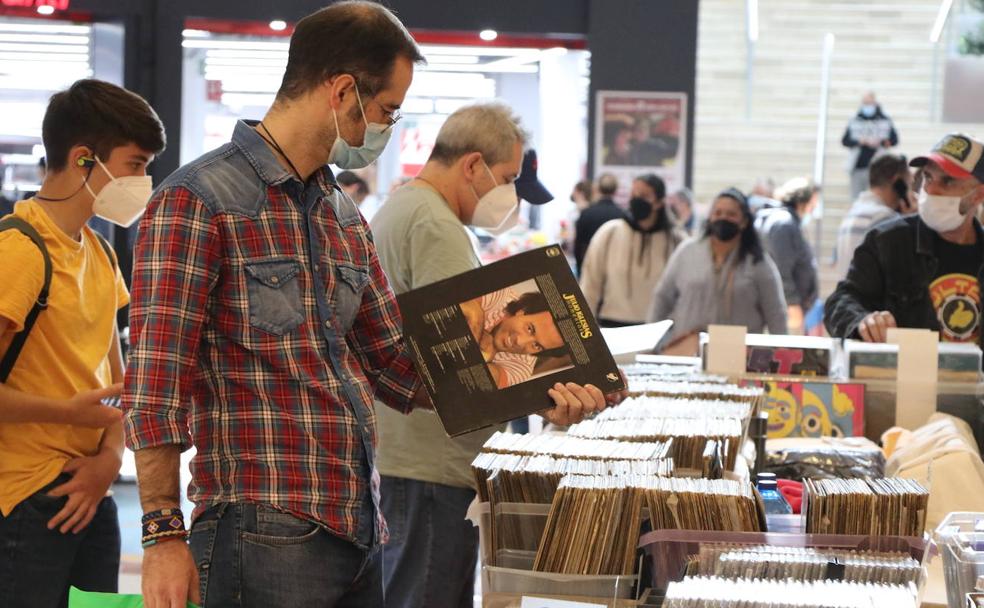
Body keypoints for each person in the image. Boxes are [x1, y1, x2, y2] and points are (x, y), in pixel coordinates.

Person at [122, 10, 605, 607]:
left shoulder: (340, 213)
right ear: (342, 90)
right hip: (260, 526)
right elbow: (155, 382)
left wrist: (545, 381)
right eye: (388, 110)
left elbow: (398, 366)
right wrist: (163, 535)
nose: (388, 126)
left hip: (359, 526)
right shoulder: (199, 201)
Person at [370, 102, 612, 608]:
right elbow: (464, 357)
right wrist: (548, 398)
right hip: (430, 462)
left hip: (413, 456)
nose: (510, 195)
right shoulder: (434, 224)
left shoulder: (406, 208)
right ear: (473, 165)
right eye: (507, 178)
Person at [0, 79, 165, 608]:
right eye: (136, 164)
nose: (144, 181)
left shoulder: (101, 252)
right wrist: (67, 413)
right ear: (84, 158)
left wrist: (107, 462)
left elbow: (119, 388)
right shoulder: (19, 252)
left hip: (92, 493)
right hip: (25, 498)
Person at [825, 133, 984, 345]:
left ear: (978, 195)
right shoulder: (887, 241)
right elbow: (840, 302)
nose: (931, 189)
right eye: (928, 177)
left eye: (948, 181)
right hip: (908, 375)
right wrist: (862, 321)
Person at [649, 188, 787, 354]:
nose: (723, 218)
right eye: (718, 212)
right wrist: (650, 344)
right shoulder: (687, 251)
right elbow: (662, 298)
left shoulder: (758, 262)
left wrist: (782, 353)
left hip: (739, 355)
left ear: (744, 221)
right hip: (687, 351)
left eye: (731, 214)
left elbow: (775, 313)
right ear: (710, 217)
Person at [580, 173, 686, 327]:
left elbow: (683, 292)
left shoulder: (676, 241)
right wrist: (585, 328)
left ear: (659, 202)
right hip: (612, 325)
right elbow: (590, 285)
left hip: (659, 328)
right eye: (633, 194)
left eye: (644, 195)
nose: (636, 199)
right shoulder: (609, 233)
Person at [460, 289, 567, 389]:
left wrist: (477, 317)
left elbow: (483, 377)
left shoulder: (523, 368)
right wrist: (484, 344)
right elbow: (463, 304)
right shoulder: (502, 293)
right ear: (522, 311)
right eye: (530, 329)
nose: (519, 341)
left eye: (536, 345)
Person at [834, 154, 915, 281]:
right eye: (909, 184)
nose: (910, 192)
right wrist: (911, 220)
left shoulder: (853, 213)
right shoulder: (885, 218)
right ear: (898, 182)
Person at [755, 177, 820, 333]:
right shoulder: (783, 224)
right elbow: (781, 267)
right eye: (813, 203)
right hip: (788, 309)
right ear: (803, 201)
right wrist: (791, 303)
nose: (814, 208)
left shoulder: (786, 222)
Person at [842, 92, 899, 200]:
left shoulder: (884, 120)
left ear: (875, 103)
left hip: (878, 167)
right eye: (865, 103)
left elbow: (894, 140)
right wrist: (859, 141)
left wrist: (882, 141)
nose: (868, 106)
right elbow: (845, 141)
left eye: (870, 103)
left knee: (877, 198)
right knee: (857, 198)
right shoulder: (855, 120)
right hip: (858, 166)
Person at [573, 172, 624, 275]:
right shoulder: (622, 215)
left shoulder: (587, 213)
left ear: (597, 188)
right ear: (616, 190)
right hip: (614, 268)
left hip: (590, 266)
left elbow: (578, 245)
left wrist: (580, 270)